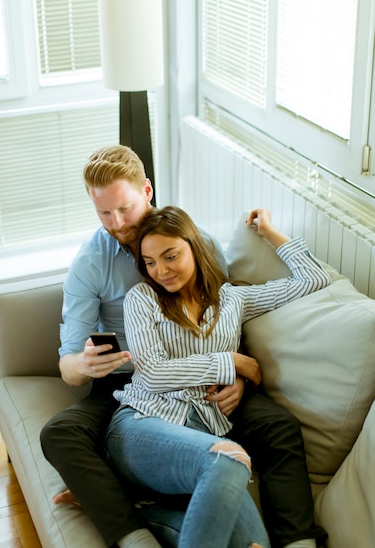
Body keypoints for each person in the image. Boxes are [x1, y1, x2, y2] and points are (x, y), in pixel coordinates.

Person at [105, 206, 331, 548]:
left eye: (170, 256)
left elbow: (313, 278)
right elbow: (151, 373)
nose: (161, 271)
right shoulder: (142, 299)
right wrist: (229, 362)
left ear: (194, 247)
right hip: (143, 424)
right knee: (229, 459)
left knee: (255, 545)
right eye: (150, 262)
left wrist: (269, 232)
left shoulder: (232, 299)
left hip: (206, 435)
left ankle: (147, 511)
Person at [40, 145, 229, 548]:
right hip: (123, 383)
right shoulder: (91, 263)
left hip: (196, 372)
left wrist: (236, 375)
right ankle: (134, 535)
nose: (118, 223)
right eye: (104, 213)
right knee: (59, 433)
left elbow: (228, 312)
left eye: (124, 208)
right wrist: (85, 364)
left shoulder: (195, 242)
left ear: (147, 189)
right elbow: (67, 366)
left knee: (273, 425)